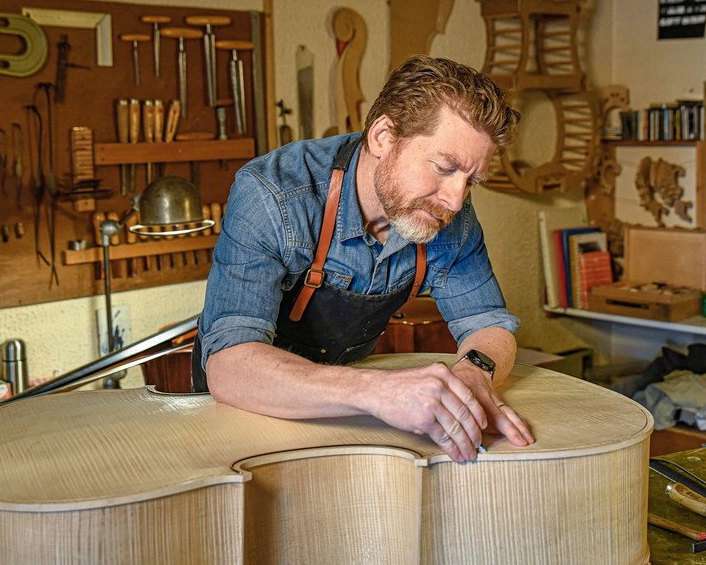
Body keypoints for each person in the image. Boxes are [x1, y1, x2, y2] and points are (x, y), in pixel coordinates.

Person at [194, 54, 534, 462]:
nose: (456, 200)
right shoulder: (272, 195)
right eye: (444, 168)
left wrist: (474, 373)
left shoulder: (448, 218)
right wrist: (378, 391)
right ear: (383, 136)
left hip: (350, 412)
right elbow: (231, 368)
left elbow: (489, 324)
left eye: (472, 181)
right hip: (246, 414)